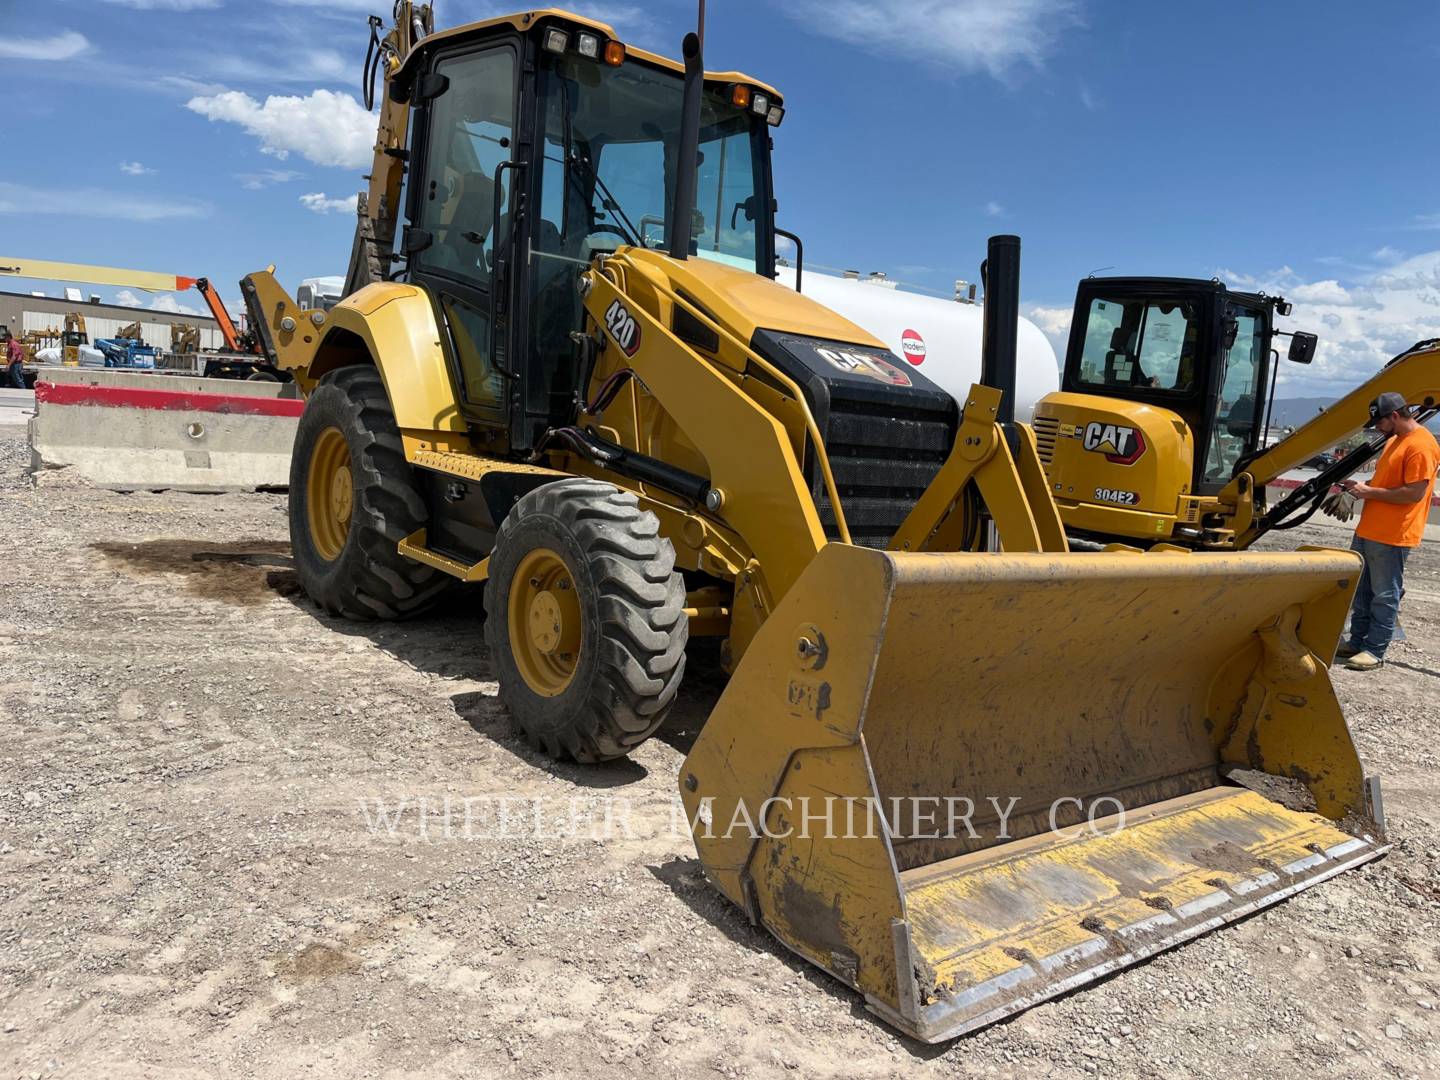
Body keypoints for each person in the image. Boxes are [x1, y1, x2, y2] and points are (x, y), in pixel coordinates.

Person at [1334, 391, 1440, 670]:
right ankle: (1357, 641)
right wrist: (1358, 490)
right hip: (1370, 529)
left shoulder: (1421, 446)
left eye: (1379, 422)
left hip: (1394, 534)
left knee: (1384, 593)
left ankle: (1375, 649)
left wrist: (1369, 491)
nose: (1377, 428)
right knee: (1362, 591)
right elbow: (1388, 482)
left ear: (1394, 415)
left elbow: (1413, 493)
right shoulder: (1395, 440)